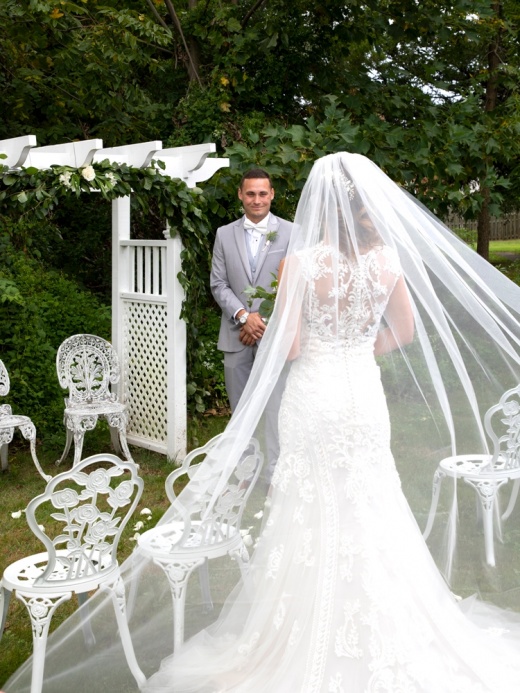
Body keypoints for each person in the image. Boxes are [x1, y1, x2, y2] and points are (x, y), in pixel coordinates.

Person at [5, 153, 520, 692]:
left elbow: (292, 344)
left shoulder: (300, 265)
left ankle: (300, 620)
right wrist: (361, 351)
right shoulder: (388, 261)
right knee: (372, 497)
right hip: (362, 397)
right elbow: (406, 332)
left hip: (316, 396)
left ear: (322, 207)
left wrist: (291, 338)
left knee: (309, 501)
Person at [210, 168, 292, 477]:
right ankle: (244, 471)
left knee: (276, 407)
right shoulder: (224, 234)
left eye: (262, 193)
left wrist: (264, 321)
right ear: (240, 196)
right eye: (250, 193)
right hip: (236, 335)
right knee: (240, 409)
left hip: (275, 334)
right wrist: (245, 317)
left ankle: (275, 472)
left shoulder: (292, 232)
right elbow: (218, 284)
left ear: (272, 195)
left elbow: (296, 284)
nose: (256, 199)